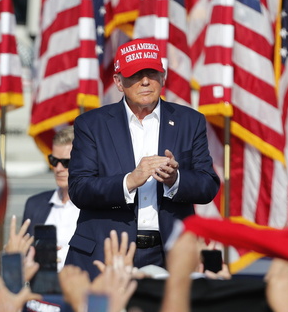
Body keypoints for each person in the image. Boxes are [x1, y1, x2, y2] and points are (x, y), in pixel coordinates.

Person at [66, 38, 220, 277]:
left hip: (168, 254)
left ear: (163, 77)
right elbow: (79, 188)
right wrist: (129, 180)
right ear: (118, 82)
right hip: (107, 252)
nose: (145, 81)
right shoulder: (91, 124)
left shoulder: (190, 121)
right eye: (136, 75)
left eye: (152, 73)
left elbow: (208, 185)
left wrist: (175, 180)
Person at [22, 126, 79, 270]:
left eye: (66, 162)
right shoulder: (34, 204)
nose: (58, 168)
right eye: (54, 160)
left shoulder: (97, 206)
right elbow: (23, 255)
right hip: (40, 289)